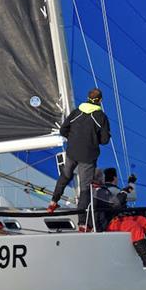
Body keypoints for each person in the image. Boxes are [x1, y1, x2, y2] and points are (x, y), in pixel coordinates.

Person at [47, 88, 111, 222]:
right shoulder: (101, 117)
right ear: (100, 101)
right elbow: (105, 140)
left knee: (65, 176)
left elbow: (63, 129)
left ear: (88, 97)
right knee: (85, 188)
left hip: (72, 151)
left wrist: (73, 138)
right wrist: (94, 139)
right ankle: (82, 222)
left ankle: (53, 202)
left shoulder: (76, 112)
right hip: (88, 156)